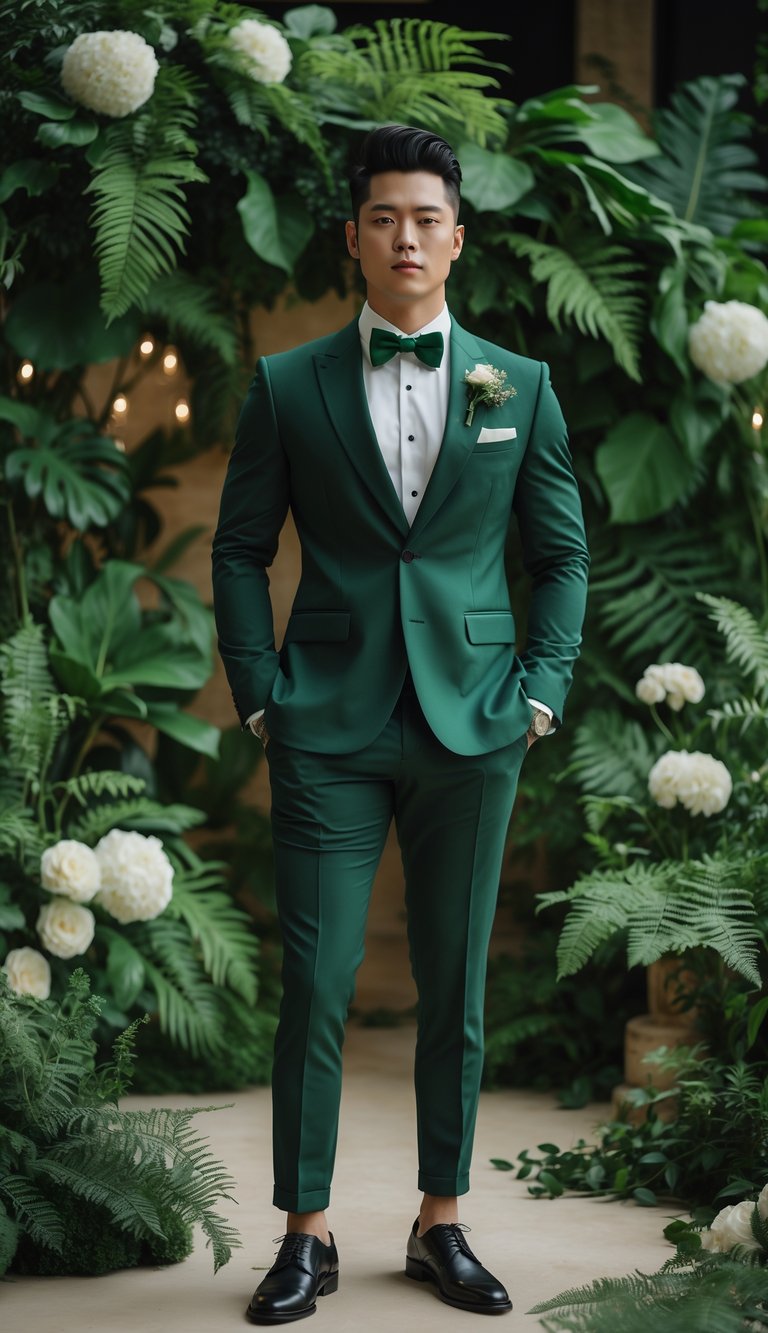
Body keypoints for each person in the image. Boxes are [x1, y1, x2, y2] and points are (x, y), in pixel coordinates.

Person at [211, 123, 589, 1323]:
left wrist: (539, 687)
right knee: (316, 984)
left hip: (475, 725)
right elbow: (236, 548)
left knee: (455, 986)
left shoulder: (517, 387)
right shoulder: (287, 385)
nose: (407, 235)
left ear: (457, 239)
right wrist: (262, 687)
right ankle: (306, 1233)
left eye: (427, 217)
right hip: (324, 717)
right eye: (385, 217)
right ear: (354, 239)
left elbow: (562, 557)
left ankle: (442, 1221)